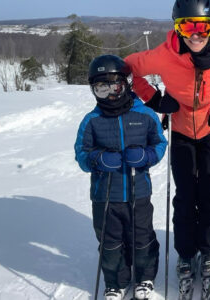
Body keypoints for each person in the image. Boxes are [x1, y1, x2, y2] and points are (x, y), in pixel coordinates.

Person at [124, 0, 210, 297]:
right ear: (177, 27)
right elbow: (129, 68)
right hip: (181, 133)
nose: (196, 35)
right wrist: (153, 100)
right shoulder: (163, 56)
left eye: (203, 27)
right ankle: (187, 254)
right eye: (187, 27)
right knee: (186, 195)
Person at [75, 55, 167, 300]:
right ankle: (116, 281)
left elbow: (159, 144)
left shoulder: (145, 115)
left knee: (141, 237)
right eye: (101, 88)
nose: (110, 94)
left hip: (139, 191)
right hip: (105, 195)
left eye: (115, 86)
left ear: (126, 83)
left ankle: (145, 277)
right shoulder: (91, 120)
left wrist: (146, 156)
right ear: (93, 89)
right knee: (110, 241)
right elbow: (82, 155)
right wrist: (98, 159)